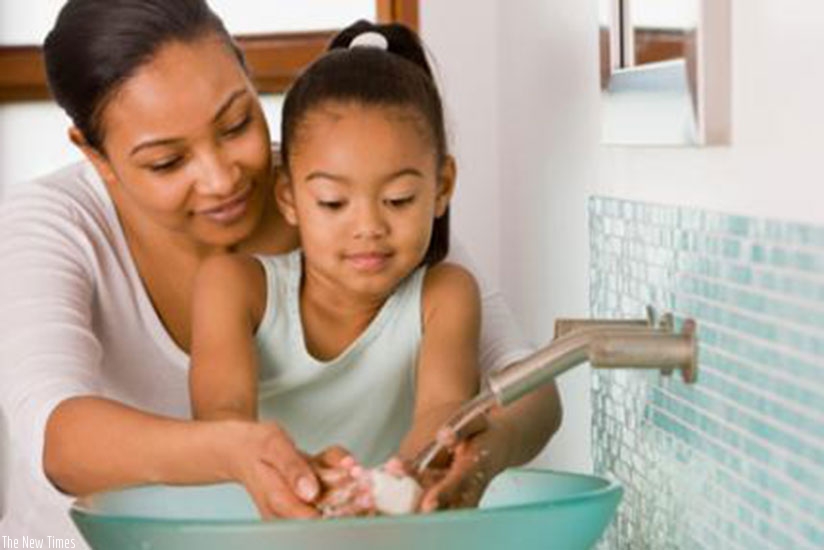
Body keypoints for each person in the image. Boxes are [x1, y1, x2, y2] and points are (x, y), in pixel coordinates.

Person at [0, 0, 561, 544]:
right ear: (94, 154)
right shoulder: (52, 223)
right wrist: (234, 451)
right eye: (167, 161)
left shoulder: (346, 186)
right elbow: (57, 435)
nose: (221, 179)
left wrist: (481, 451)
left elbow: (525, 381)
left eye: (236, 123)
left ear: (248, 75)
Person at [190, 20, 479, 516]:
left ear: (443, 186)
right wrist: (303, 479)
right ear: (290, 197)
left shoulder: (444, 295)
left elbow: (442, 408)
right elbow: (223, 419)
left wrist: (396, 483)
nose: (368, 226)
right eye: (332, 202)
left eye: (398, 199)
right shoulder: (234, 286)